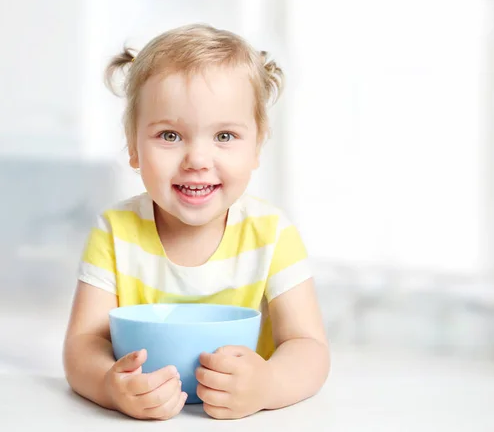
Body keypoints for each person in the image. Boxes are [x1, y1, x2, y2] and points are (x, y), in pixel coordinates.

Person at [62, 23, 330, 421]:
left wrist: (269, 385)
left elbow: (309, 346)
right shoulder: (115, 230)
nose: (197, 160)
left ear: (257, 145)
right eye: (170, 136)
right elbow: (83, 344)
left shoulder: (271, 233)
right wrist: (109, 385)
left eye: (224, 136)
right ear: (133, 146)